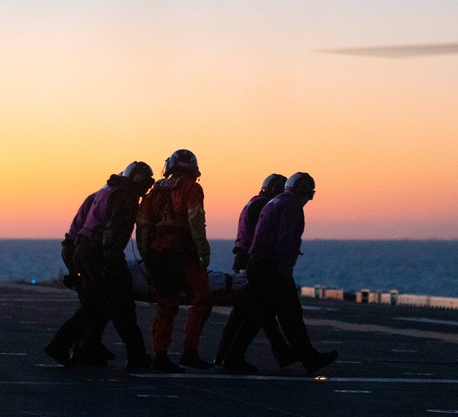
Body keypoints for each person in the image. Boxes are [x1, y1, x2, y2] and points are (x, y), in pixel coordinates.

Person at [221, 172, 338, 375]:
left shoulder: (273, 202)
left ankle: (302, 357)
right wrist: (285, 268)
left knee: (270, 313)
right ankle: (234, 356)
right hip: (271, 266)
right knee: (279, 314)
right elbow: (285, 240)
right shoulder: (291, 206)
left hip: (259, 263)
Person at [45, 162, 155, 371]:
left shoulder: (106, 191)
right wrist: (112, 264)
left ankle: (82, 347)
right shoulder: (126, 197)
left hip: (84, 251)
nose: (147, 187)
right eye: (146, 182)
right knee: (121, 305)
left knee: (97, 305)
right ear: (137, 179)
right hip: (101, 254)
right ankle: (135, 356)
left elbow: (79, 226)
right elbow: (114, 233)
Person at [136, 149, 213, 372]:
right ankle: (189, 351)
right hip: (183, 252)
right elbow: (196, 219)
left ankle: (160, 355)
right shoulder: (192, 188)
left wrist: (146, 255)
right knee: (202, 299)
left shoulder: (155, 190)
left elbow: (142, 224)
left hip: (158, 254)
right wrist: (203, 250)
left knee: (166, 305)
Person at [214, 173, 296, 367]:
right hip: (254, 262)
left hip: (243, 260)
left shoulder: (253, 203)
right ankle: (233, 355)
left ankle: (224, 354)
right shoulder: (264, 206)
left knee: (251, 312)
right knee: (257, 311)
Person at [56, 188, 113, 365]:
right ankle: (73, 346)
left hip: (74, 248)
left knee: (95, 303)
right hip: (80, 250)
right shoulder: (106, 198)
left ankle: (90, 345)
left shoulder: (96, 196)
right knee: (95, 303)